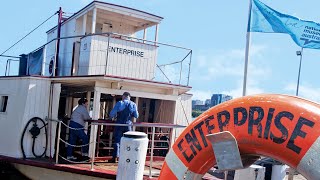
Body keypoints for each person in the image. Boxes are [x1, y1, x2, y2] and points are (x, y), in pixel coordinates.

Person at [109, 92, 139, 162]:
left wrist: (110, 118)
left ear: (123, 96)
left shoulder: (120, 103)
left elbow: (112, 114)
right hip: (128, 125)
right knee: (129, 141)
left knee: (117, 141)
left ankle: (115, 157)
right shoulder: (133, 104)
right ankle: (127, 158)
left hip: (119, 124)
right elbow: (136, 116)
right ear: (129, 97)